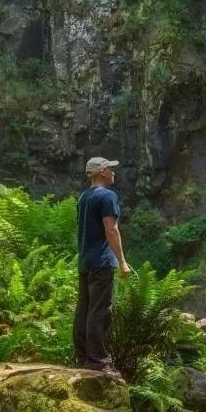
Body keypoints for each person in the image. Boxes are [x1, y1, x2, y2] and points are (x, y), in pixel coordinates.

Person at [74, 156, 131, 373]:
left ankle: (82, 357)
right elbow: (111, 229)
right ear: (103, 172)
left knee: (84, 310)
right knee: (99, 311)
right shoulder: (108, 196)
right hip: (102, 261)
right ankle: (98, 361)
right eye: (111, 169)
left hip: (85, 261)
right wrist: (123, 261)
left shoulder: (84, 197)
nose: (114, 173)